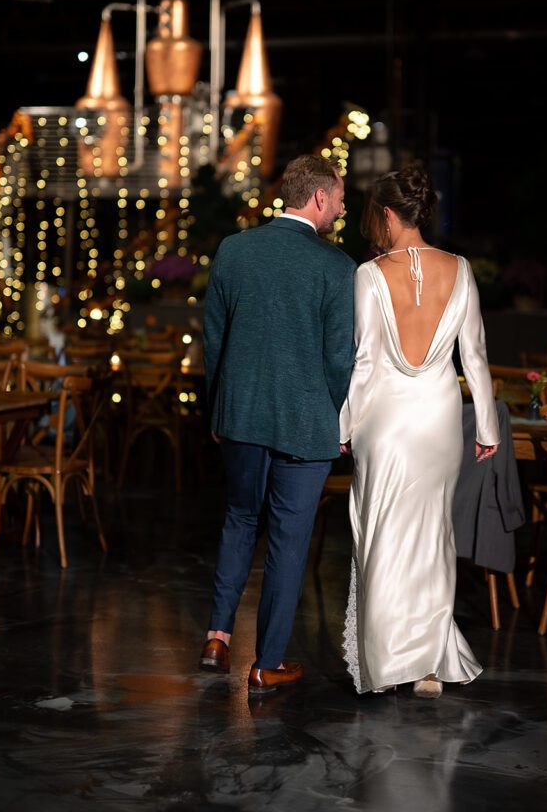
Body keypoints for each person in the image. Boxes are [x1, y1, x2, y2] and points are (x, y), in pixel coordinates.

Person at [340, 164, 499, 698]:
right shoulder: (461, 268)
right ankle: (429, 666)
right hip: (438, 418)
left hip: (383, 421)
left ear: (387, 214)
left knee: (382, 533)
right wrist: (490, 427)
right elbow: (474, 354)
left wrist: (344, 425)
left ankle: (386, 664)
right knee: (433, 538)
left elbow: (364, 363)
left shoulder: (369, 274)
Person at [199, 154, 356, 695]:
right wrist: (333, 413)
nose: (341, 206)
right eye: (338, 197)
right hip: (307, 422)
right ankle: (266, 664)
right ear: (317, 198)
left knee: (240, 519)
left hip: (239, 414)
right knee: (289, 542)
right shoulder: (338, 267)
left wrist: (217, 406)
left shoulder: (233, 250)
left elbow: (213, 339)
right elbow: (341, 359)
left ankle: (217, 635)